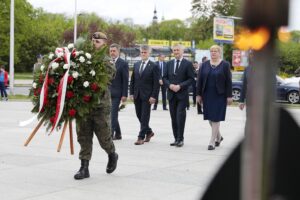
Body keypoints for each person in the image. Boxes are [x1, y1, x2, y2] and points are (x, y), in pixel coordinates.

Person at [74, 32, 118, 180]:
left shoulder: (107, 62)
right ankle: (84, 167)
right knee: (83, 136)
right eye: (93, 40)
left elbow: (107, 78)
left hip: (100, 106)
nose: (94, 43)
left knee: (104, 137)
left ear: (104, 44)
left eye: (98, 41)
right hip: (84, 106)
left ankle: (112, 154)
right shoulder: (82, 59)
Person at [196, 45, 232, 150]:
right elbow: (199, 80)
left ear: (219, 52)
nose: (213, 53)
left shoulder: (225, 65)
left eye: (215, 51)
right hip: (207, 95)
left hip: (220, 95)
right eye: (211, 51)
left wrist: (229, 96)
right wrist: (198, 94)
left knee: (216, 117)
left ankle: (212, 141)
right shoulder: (204, 65)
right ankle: (219, 137)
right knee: (210, 118)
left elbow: (228, 81)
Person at [163, 44, 194, 147]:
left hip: (182, 95)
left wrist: (180, 86)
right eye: (174, 50)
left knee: (180, 117)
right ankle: (176, 138)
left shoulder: (188, 64)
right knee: (173, 118)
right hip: (171, 95)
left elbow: (191, 79)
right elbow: (164, 78)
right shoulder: (169, 63)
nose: (176, 52)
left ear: (182, 51)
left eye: (178, 50)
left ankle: (181, 139)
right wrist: (170, 85)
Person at [129, 45, 159, 145]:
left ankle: (140, 137)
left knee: (145, 116)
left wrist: (153, 96)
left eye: (145, 52)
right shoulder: (136, 64)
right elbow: (133, 80)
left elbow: (156, 83)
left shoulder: (154, 66)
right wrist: (131, 93)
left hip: (148, 96)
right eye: (142, 52)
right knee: (139, 115)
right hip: (137, 94)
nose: (143, 54)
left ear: (149, 53)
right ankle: (149, 132)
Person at [109, 43, 129, 140]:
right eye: (111, 51)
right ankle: (118, 134)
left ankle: (111, 134)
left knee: (113, 114)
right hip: (107, 93)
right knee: (111, 114)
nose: (112, 53)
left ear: (118, 52)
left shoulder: (123, 64)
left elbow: (125, 80)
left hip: (117, 93)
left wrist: (125, 94)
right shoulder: (107, 62)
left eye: (114, 51)